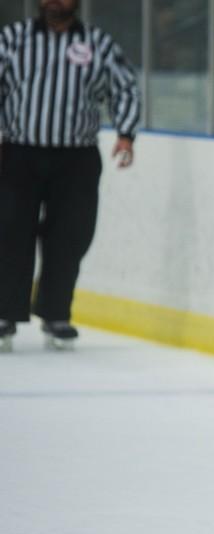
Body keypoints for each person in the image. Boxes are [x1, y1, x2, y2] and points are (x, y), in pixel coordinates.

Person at [0, 0, 140, 352]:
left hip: (76, 157)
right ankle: (4, 314)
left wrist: (126, 133)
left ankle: (56, 313)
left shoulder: (98, 43)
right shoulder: (13, 39)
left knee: (70, 236)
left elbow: (124, 86)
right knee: (10, 233)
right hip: (18, 153)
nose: (55, 1)